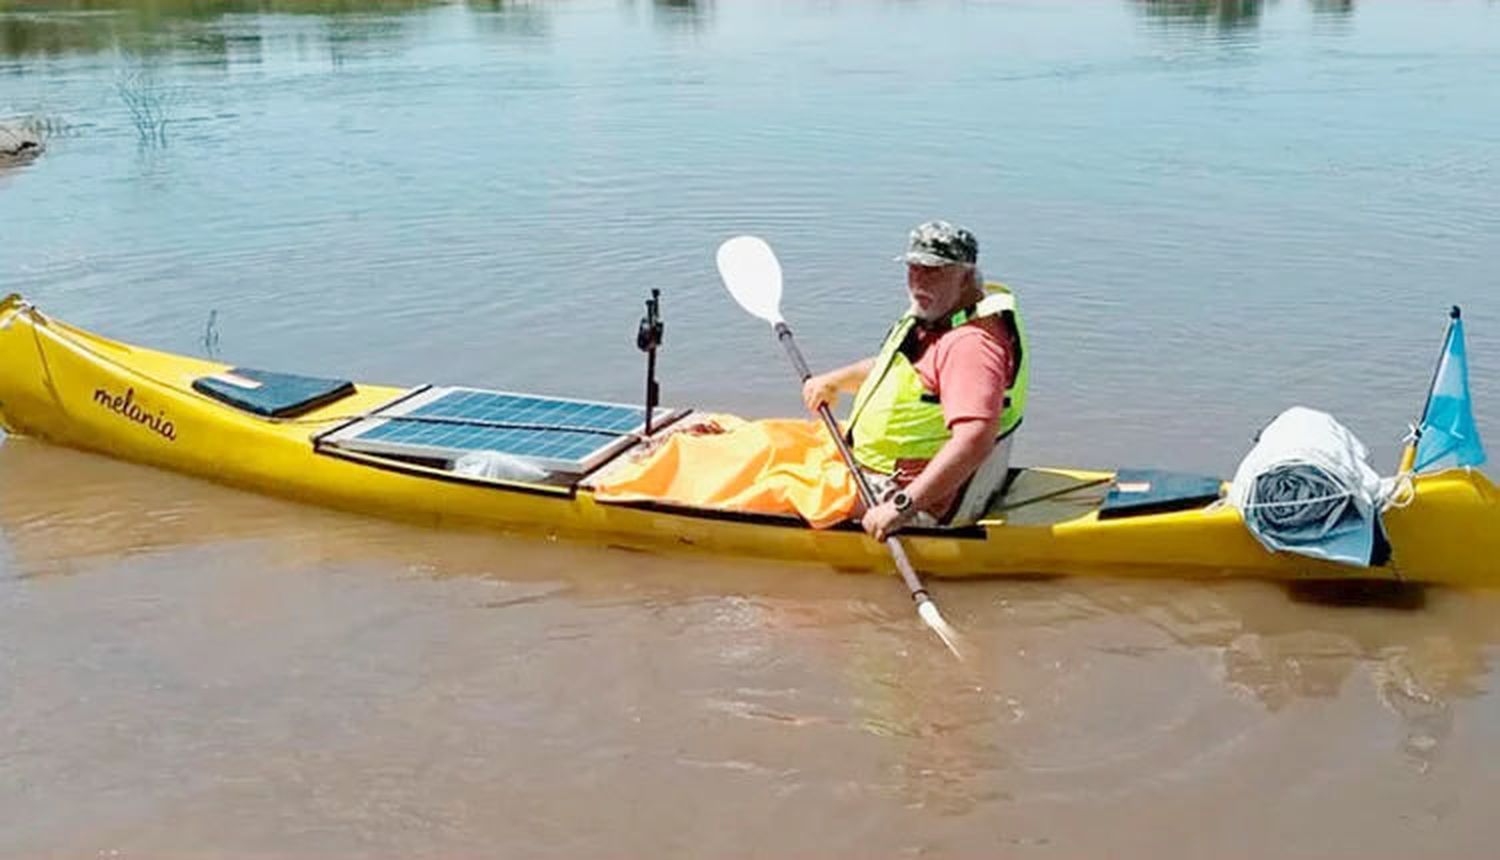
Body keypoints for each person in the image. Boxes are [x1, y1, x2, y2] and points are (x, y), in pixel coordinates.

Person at [802, 221, 1029, 541]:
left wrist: (901, 508)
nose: (919, 282)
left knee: (769, 477)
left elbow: (975, 438)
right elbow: (901, 372)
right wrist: (835, 381)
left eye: (934, 272)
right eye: (914, 269)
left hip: (913, 495)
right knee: (771, 440)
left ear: (965, 276)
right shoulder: (947, 316)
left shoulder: (970, 346)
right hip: (886, 469)